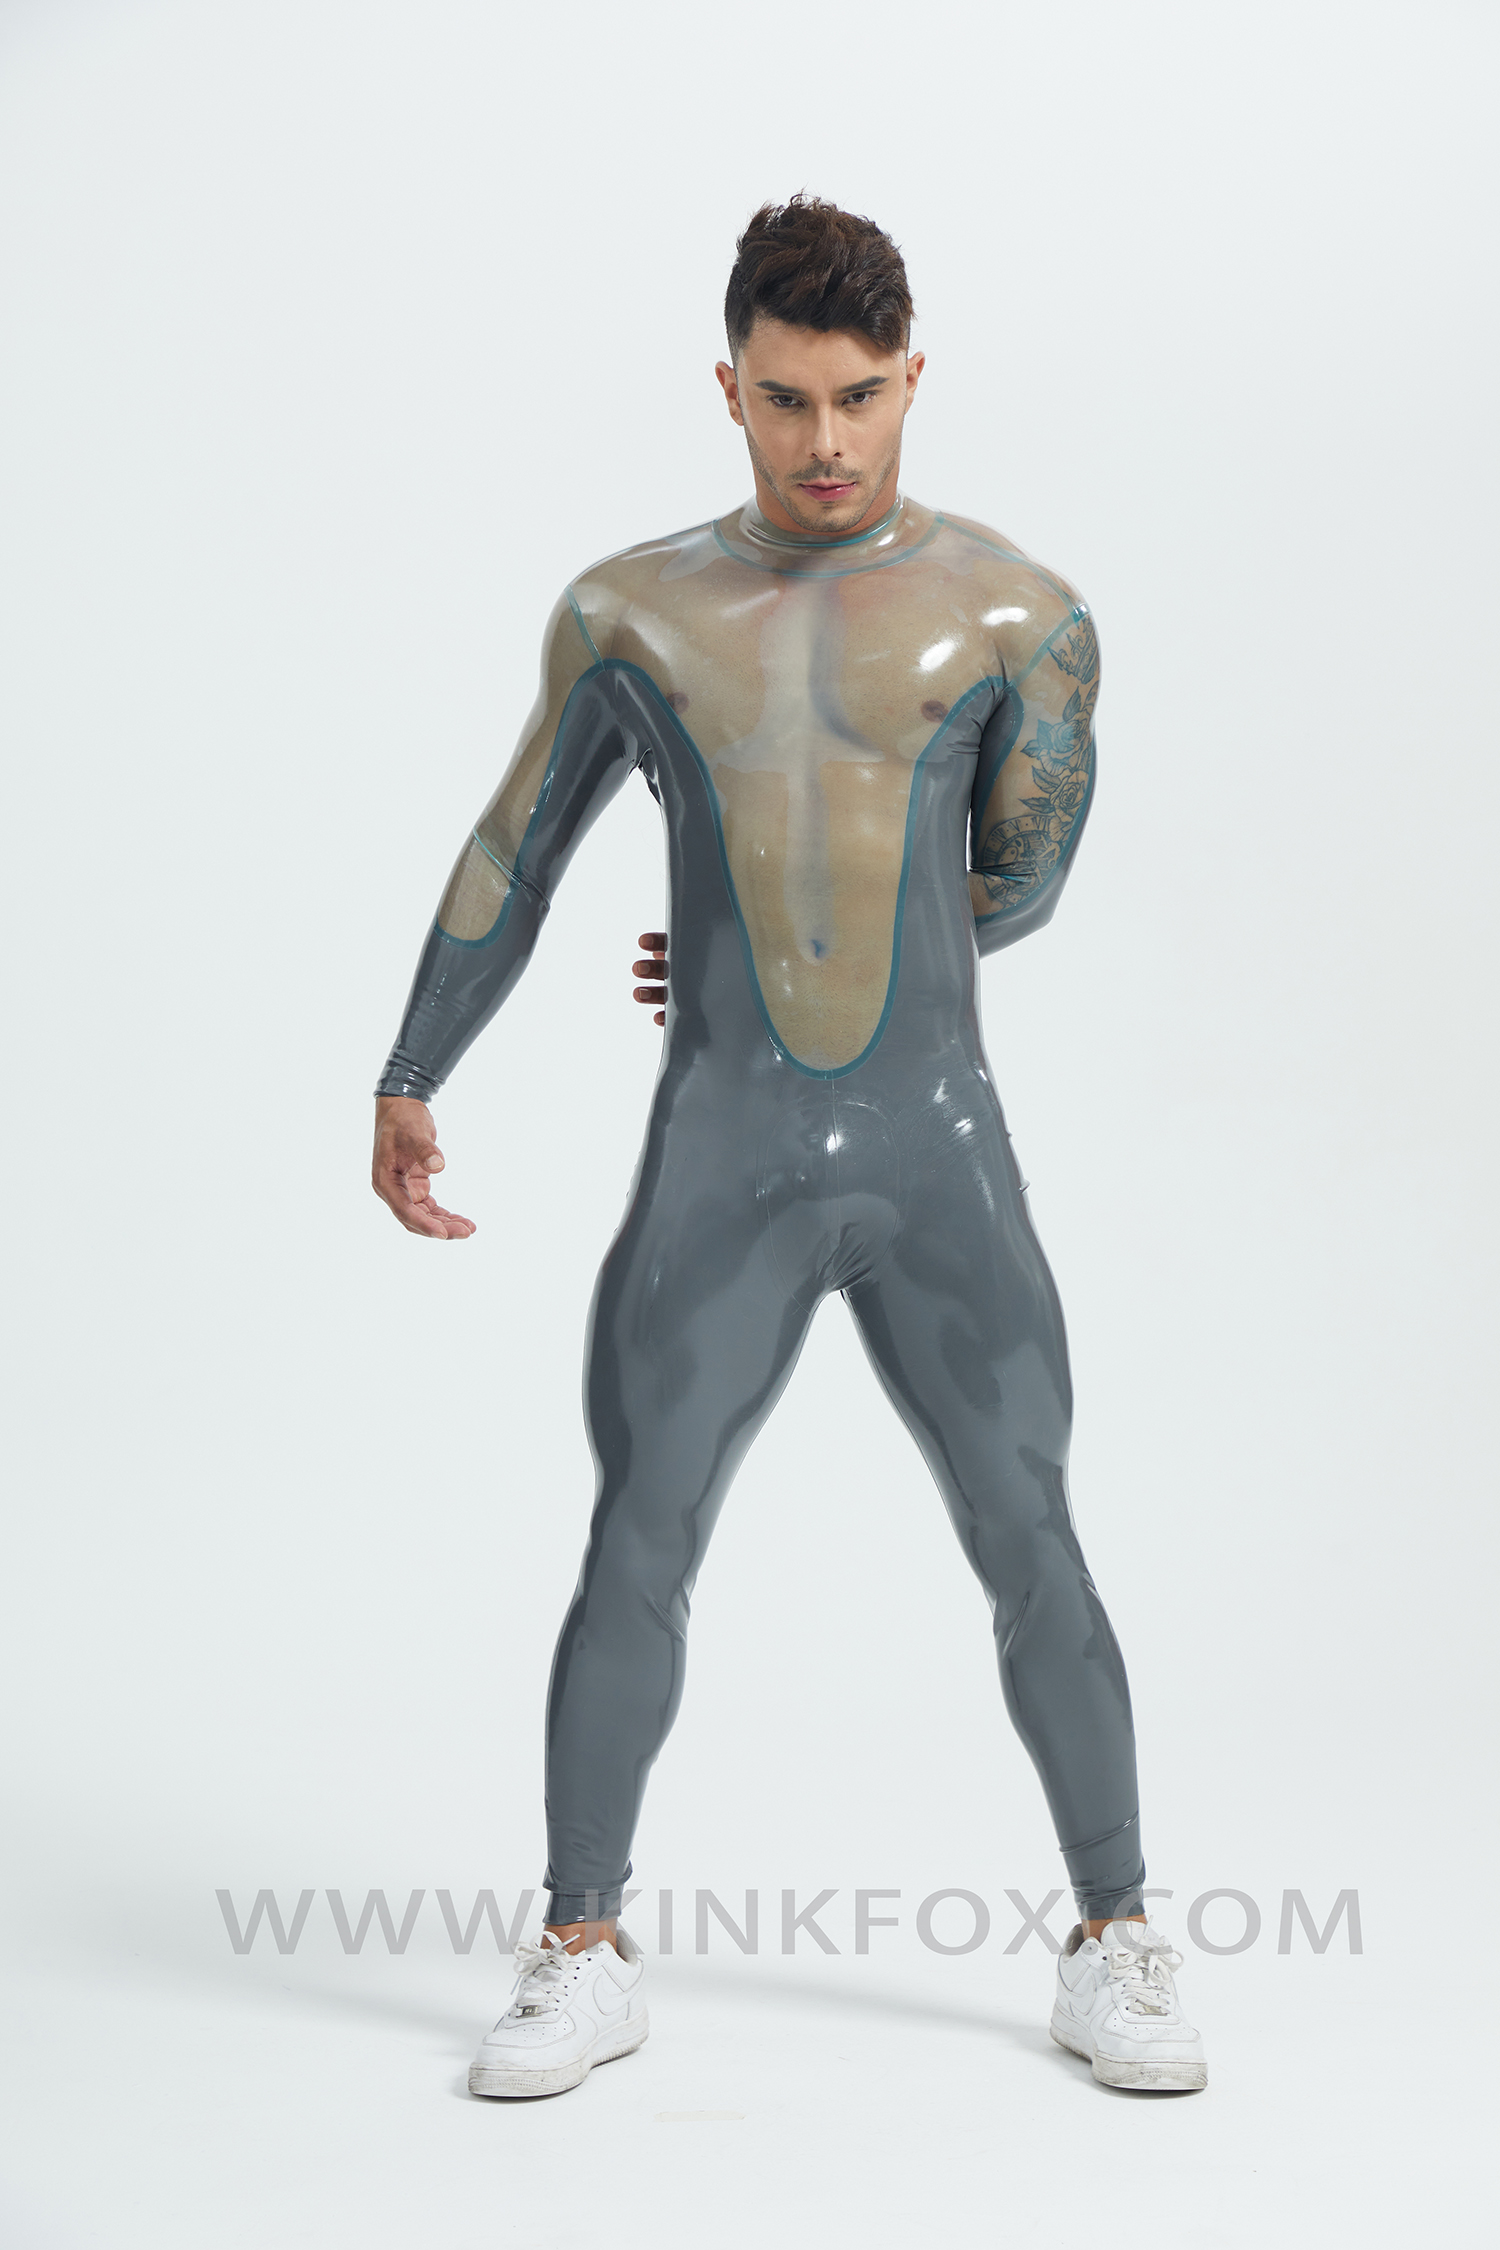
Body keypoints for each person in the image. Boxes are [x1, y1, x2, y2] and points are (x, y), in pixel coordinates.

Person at [372, 196, 1207, 2098]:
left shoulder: (1021, 614)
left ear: (913, 379)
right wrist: (415, 1064)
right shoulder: (634, 613)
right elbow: (515, 844)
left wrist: (804, 928)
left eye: (857, 396)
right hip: (722, 1150)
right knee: (639, 1529)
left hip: (936, 1150)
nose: (825, 442)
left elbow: (1019, 880)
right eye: (783, 400)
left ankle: (1118, 1934)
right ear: (727, 388)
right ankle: (581, 1946)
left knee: (1031, 1528)